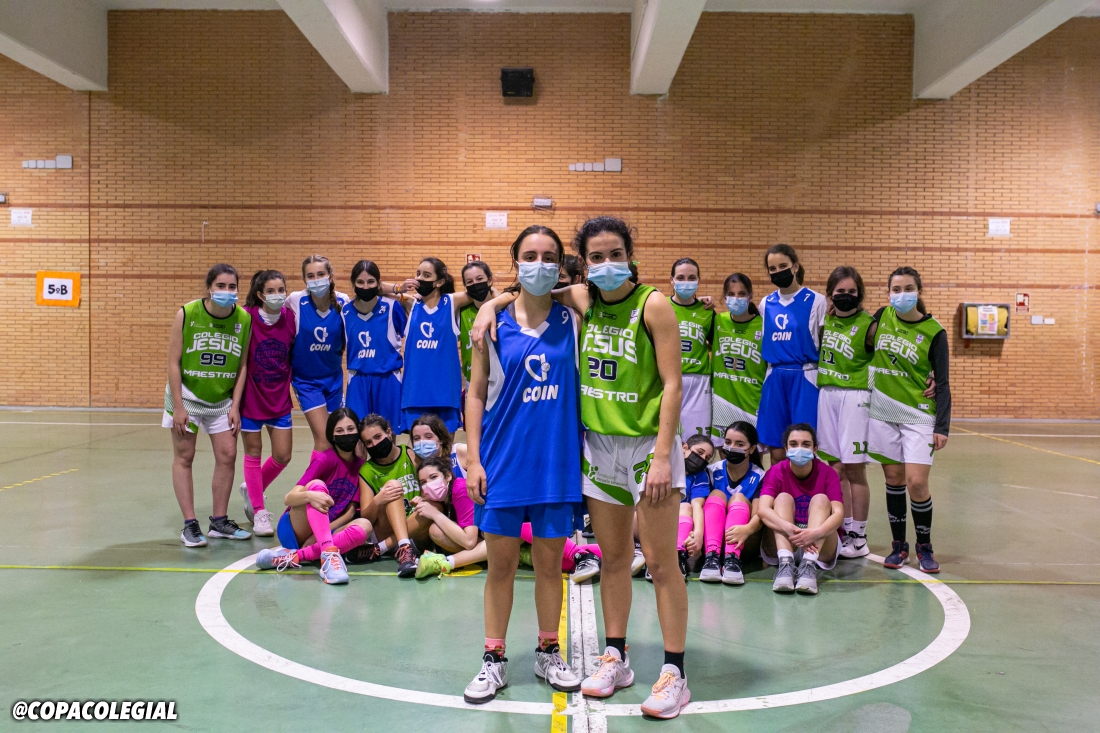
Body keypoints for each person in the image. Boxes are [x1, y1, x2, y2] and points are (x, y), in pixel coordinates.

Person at [472, 216, 690, 719]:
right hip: (597, 447)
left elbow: (673, 384)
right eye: (597, 257)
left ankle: (676, 671)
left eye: (616, 254)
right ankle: (616, 656)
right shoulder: (583, 301)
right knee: (612, 560)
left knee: (659, 561)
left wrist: (663, 454)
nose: (608, 264)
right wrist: (490, 302)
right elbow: (529, 292)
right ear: (585, 264)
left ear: (631, 255)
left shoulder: (652, 304)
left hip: (647, 448)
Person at [462, 225, 584, 705]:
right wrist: (473, 459)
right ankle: (494, 659)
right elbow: (475, 393)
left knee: (551, 565)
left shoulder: (574, 318)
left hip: (556, 463)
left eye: (549, 256)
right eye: (530, 255)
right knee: (502, 566)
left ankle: (548, 651)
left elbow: (584, 287)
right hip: (502, 460)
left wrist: (495, 298)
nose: (540, 263)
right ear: (514, 260)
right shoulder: (490, 327)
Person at [867, 267, 951, 573]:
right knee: (893, 480)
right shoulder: (881, 316)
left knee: (917, 482)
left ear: (919, 290)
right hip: (884, 410)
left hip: (918, 414)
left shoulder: (935, 332)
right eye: (896, 289)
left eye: (908, 288)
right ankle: (898, 546)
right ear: (888, 292)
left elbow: (942, 383)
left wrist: (942, 426)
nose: (902, 294)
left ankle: (924, 546)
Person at [164, 263, 252, 547]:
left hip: (222, 399)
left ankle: (219, 521)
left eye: (232, 287)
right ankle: (190, 525)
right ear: (209, 288)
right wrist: (178, 405)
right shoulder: (187, 313)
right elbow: (174, 362)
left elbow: (242, 366)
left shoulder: (244, 319)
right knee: (184, 456)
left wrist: (235, 405)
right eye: (221, 286)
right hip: (188, 396)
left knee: (227, 455)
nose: (227, 292)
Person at [255, 408, 373, 585]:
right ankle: (328, 556)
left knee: (364, 526)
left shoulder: (361, 466)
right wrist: (310, 495)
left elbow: (349, 512)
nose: (346, 434)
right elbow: (289, 498)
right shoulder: (325, 459)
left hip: (325, 533)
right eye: (339, 431)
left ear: (358, 431)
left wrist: (320, 535)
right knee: (316, 486)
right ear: (332, 436)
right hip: (295, 528)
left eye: (350, 429)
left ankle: (295, 557)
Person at [815, 266, 875, 558]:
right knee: (835, 466)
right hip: (827, 393)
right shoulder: (825, 321)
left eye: (852, 292)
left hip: (856, 395)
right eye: (840, 293)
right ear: (831, 295)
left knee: (854, 468)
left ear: (860, 295)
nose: (846, 297)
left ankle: (859, 536)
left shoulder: (870, 324)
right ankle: (845, 527)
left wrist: (930, 376)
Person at [233, 269, 296, 537]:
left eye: (281, 289)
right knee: (254, 452)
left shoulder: (290, 317)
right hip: (252, 397)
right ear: (260, 294)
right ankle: (259, 512)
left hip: (279, 395)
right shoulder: (246, 316)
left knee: (283, 455)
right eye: (271, 291)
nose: (277, 295)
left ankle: (252, 485)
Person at [756, 244, 826, 464]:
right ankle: (780, 495)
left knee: (804, 445)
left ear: (795, 266)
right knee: (776, 449)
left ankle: (808, 497)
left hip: (804, 375)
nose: (778, 271)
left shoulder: (816, 300)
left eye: (783, 266)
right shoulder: (766, 303)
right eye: (772, 268)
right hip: (774, 376)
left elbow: (825, 343)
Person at [757, 424, 844, 595]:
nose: (799, 449)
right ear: (786, 448)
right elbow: (763, 510)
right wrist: (787, 528)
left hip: (819, 546)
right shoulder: (775, 472)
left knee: (821, 499)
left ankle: (808, 567)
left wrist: (816, 533)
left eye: (806, 444)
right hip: (782, 542)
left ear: (815, 449)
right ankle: (785, 566)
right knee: (782, 498)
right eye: (794, 444)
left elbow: (839, 514)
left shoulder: (828, 473)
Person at [399, 258, 481, 432]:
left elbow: (485, 293)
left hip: (445, 392)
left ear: (440, 282)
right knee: (421, 452)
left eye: (426, 275)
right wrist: (398, 288)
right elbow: (375, 290)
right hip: (415, 392)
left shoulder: (452, 302)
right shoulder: (410, 303)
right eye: (418, 273)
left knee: (444, 454)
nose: (420, 278)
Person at [288, 256, 350, 458]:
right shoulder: (296, 300)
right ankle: (311, 486)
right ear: (304, 279)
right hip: (306, 381)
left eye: (321, 274)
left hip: (333, 379)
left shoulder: (342, 301)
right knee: (323, 441)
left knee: (335, 439)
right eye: (311, 276)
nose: (316, 280)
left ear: (330, 276)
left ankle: (330, 485)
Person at [343, 260, 408, 433]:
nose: (365, 286)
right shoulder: (344, 311)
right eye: (360, 282)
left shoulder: (392, 307)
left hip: (388, 378)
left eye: (371, 281)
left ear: (379, 284)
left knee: (388, 432)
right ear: (353, 284)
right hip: (357, 379)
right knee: (357, 433)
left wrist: (399, 290)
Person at [357, 414, 423, 577]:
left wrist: (423, 498)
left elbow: (427, 486)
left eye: (378, 437)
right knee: (393, 487)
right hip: (387, 529)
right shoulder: (367, 470)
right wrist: (378, 500)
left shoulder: (409, 454)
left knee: (432, 507)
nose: (375, 444)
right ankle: (405, 551)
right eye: (369, 442)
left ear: (388, 432)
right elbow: (366, 517)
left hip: (417, 527)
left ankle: (380, 549)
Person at [700, 421, 766, 585]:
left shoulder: (760, 476)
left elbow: (760, 514)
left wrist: (747, 529)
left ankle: (732, 560)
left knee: (738, 498)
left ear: (751, 448)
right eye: (728, 442)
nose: (731, 447)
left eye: (739, 444)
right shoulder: (711, 471)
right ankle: (711, 558)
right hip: (710, 539)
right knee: (716, 494)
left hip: (745, 540)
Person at [710, 273, 765, 445]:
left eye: (741, 294)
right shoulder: (717, 321)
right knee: (725, 455)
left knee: (752, 457)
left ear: (750, 296)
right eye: (731, 294)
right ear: (724, 297)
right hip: (722, 402)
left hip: (752, 402)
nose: (736, 298)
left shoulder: (763, 324)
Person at [669, 258, 715, 440]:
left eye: (691, 277)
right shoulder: (661, 306)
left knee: (696, 441)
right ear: (671, 280)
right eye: (680, 277)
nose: (686, 282)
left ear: (698, 280)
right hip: (668, 379)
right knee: (668, 439)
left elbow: (716, 345)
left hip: (699, 383)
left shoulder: (707, 311)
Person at [678, 435, 714, 580]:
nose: (703, 459)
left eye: (707, 457)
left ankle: (677, 557)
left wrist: (698, 533)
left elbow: (697, 505)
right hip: (649, 521)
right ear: (684, 447)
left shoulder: (700, 476)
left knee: (686, 508)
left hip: (676, 526)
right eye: (700, 452)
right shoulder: (663, 466)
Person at [458, 261, 497, 385]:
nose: (475, 284)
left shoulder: (505, 310)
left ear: (490, 280)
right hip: (472, 381)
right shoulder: (461, 313)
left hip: (500, 382)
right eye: (469, 282)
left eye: (479, 278)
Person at [409, 413, 467, 479]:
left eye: (428, 436)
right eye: (417, 438)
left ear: (441, 439)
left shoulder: (459, 452)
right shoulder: (416, 466)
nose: (422, 442)